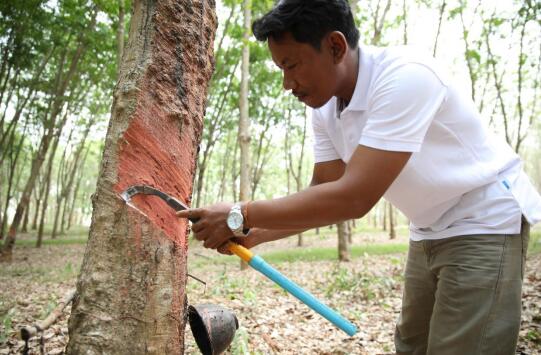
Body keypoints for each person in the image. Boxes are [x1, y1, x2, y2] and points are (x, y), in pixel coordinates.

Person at [176, 0, 541, 354]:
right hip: (428, 228)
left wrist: (238, 213)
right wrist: (250, 234)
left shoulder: (407, 77)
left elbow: (354, 198)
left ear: (335, 46)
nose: (288, 83)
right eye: (281, 70)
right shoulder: (325, 108)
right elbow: (326, 192)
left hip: (484, 221)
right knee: (411, 347)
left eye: (292, 65)